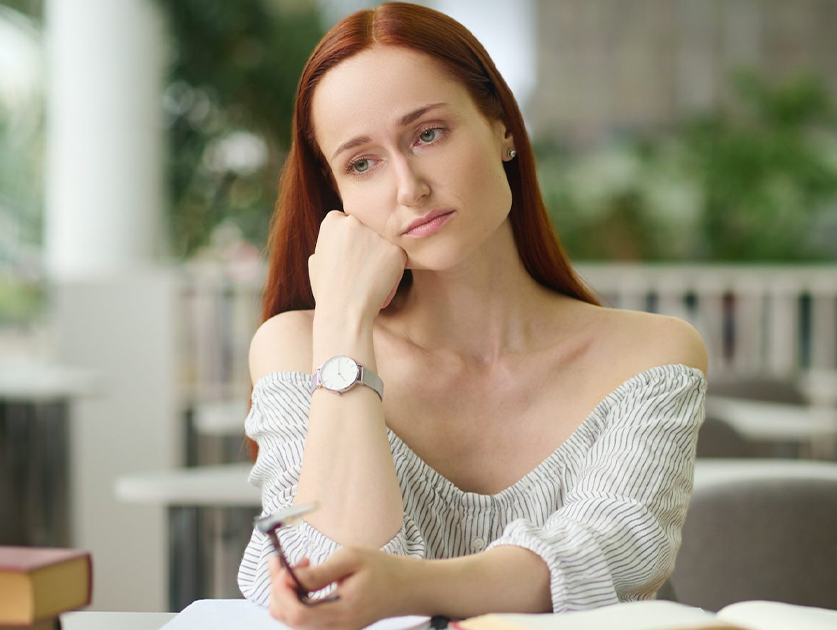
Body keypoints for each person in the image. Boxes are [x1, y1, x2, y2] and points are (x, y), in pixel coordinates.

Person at [236, 3, 708, 628]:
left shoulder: (652, 356)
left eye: (428, 134)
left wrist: (407, 586)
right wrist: (345, 327)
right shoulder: (298, 347)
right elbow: (331, 579)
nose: (409, 187)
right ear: (338, 199)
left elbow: (607, 558)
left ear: (502, 127)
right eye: (362, 163)